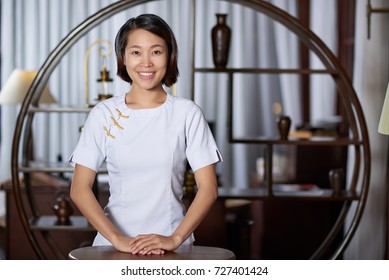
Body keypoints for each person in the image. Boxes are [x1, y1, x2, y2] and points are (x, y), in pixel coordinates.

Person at [69, 13, 222, 255]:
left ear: (169, 56)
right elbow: (79, 188)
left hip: (173, 247)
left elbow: (208, 188)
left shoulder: (187, 113)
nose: (146, 62)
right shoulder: (104, 114)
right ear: (123, 58)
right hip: (113, 246)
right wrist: (118, 239)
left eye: (156, 52)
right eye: (136, 52)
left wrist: (175, 238)